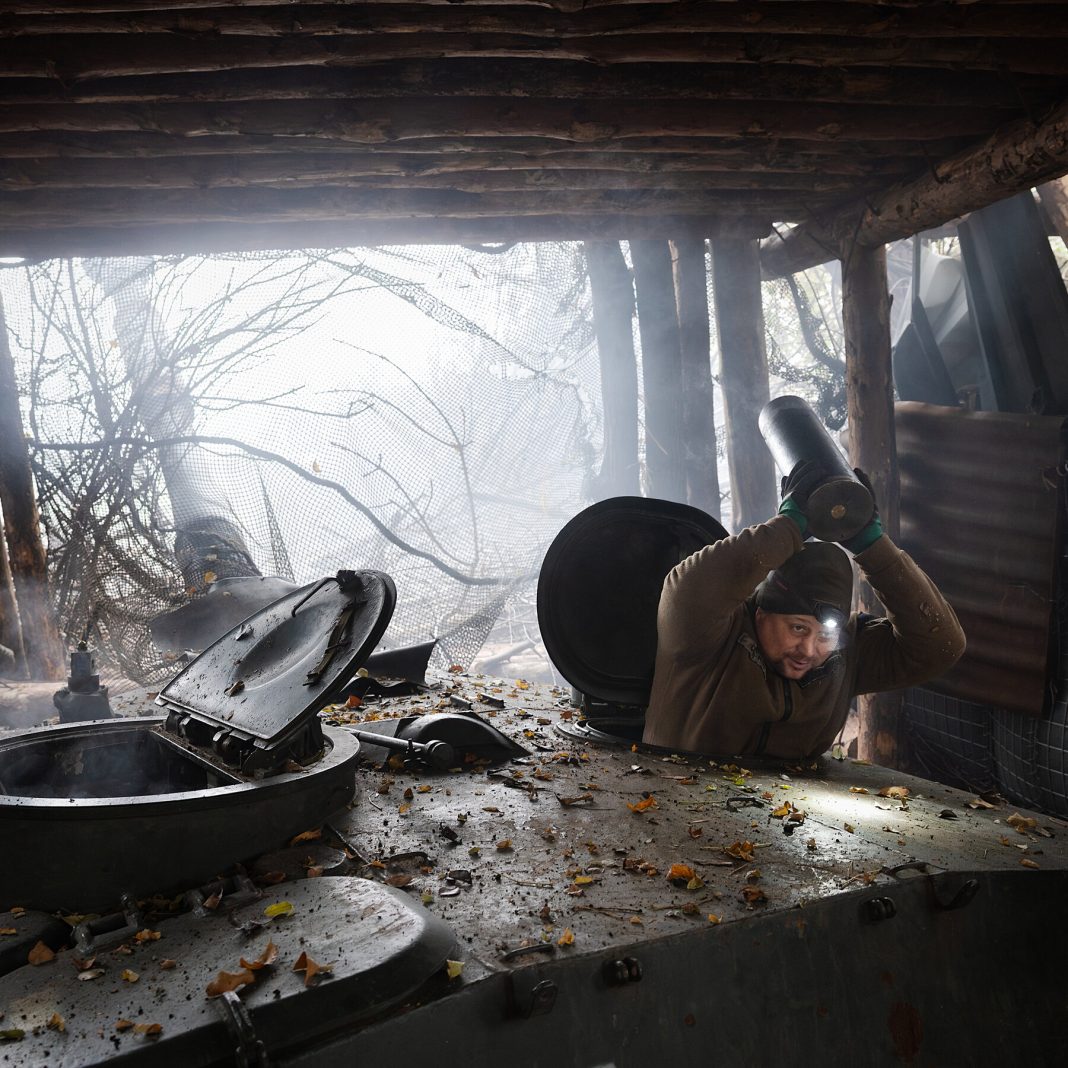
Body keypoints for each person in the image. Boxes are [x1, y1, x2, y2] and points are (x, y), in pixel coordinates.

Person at [642, 461, 966, 759]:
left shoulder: (844, 654)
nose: (809, 650)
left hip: (783, 804)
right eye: (797, 628)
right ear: (762, 613)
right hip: (674, 793)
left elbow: (941, 646)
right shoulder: (709, 635)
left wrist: (873, 547)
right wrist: (787, 528)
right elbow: (686, 588)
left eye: (825, 634)